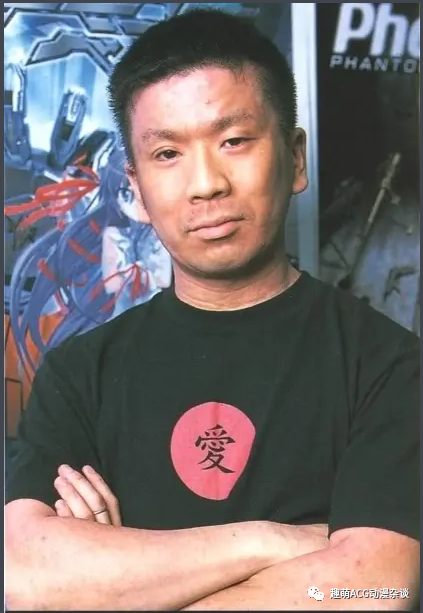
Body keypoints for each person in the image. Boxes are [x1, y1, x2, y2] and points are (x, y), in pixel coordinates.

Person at [5, 8, 419, 611]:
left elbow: (375, 589)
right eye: (167, 153)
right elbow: (27, 578)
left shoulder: (389, 364)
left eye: (234, 141)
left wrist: (115, 585)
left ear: (295, 159)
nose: (206, 184)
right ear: (135, 188)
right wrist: (272, 542)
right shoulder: (80, 373)